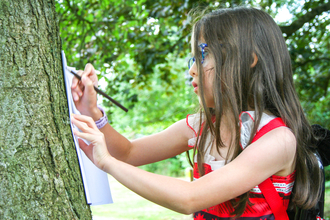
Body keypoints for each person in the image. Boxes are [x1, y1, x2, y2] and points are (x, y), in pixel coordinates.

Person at [70, 7, 323, 220]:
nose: (192, 71)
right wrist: (92, 111)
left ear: (249, 60)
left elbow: (189, 198)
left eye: (202, 55)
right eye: (192, 59)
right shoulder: (201, 126)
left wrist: (107, 163)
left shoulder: (277, 139)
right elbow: (128, 153)